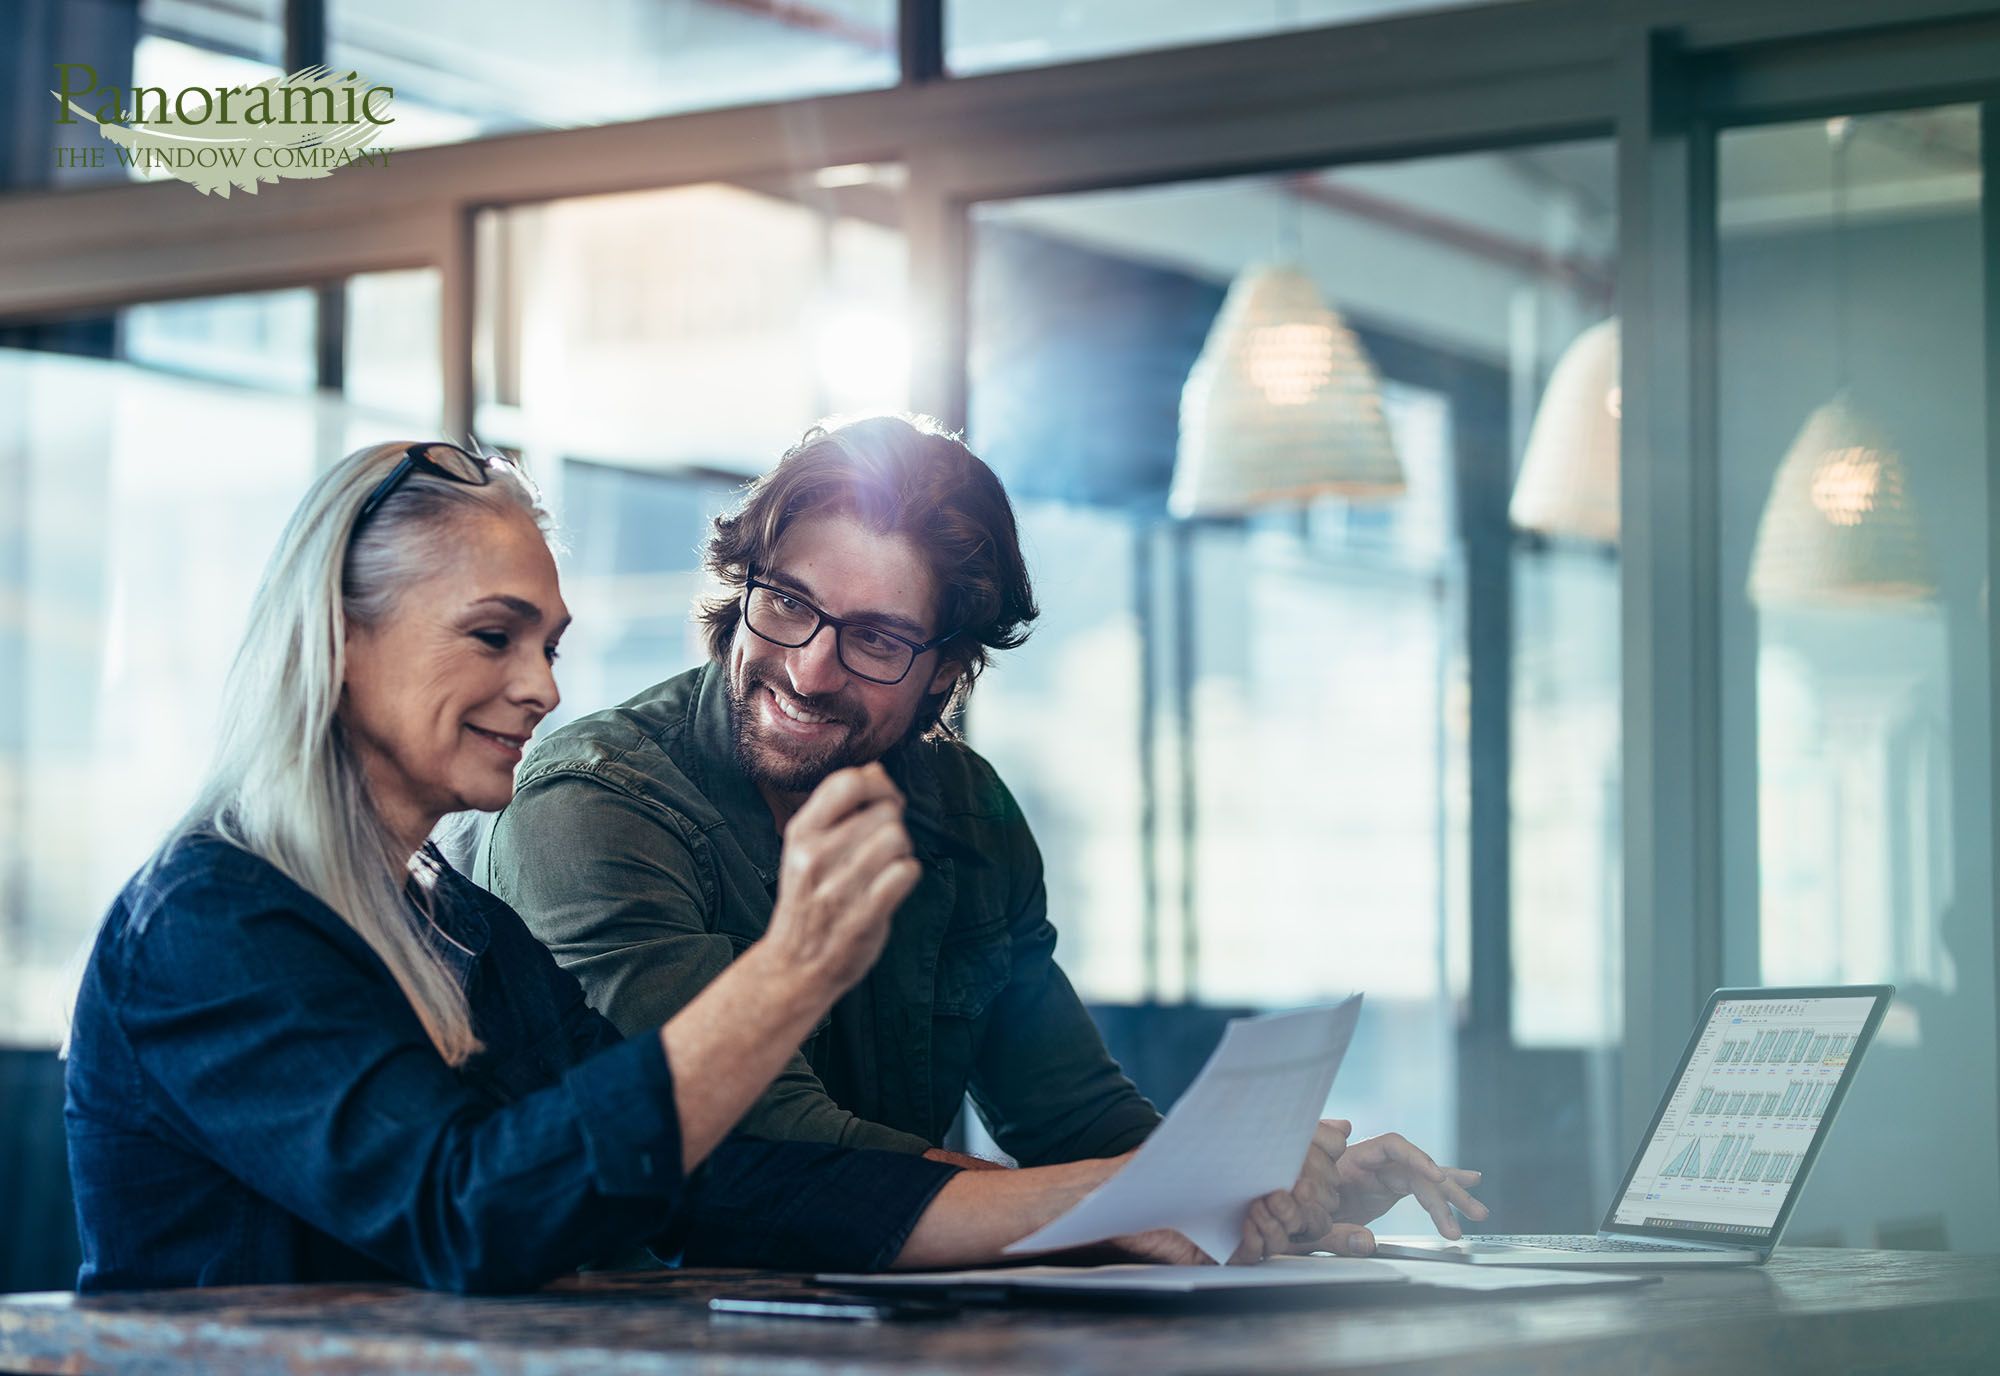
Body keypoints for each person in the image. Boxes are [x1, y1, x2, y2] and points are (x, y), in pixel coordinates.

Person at [62, 441, 1431, 1296]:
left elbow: (704, 1179)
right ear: (337, 639)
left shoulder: (455, 922)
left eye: (550, 640)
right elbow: (470, 1213)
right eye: (494, 636)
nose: (543, 686)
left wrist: (1185, 1192)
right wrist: (791, 977)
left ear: (946, 676)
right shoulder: (206, 923)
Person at [481, 416, 1483, 1238]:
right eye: (787, 603)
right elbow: (766, 1136)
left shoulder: (967, 811)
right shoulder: (597, 804)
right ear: (743, 588)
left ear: (947, 668)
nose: (810, 667)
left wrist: (1245, 1196)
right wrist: (1127, 1203)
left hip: (887, 1327)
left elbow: (1070, 1113)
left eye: (874, 636)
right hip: (635, 1329)